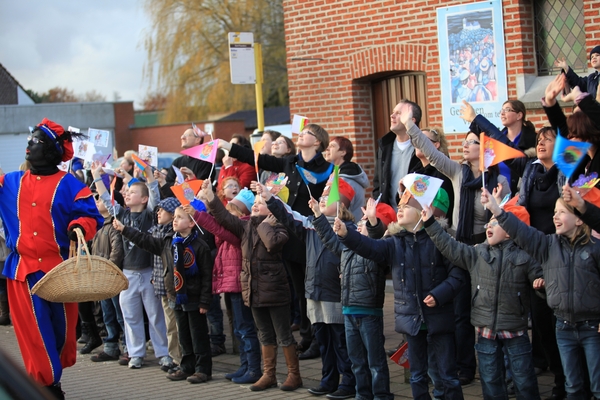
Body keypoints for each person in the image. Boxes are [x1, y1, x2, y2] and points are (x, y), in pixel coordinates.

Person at [403, 103, 510, 385]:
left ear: (485, 149)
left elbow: (505, 219)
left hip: (489, 252)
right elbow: (431, 152)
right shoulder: (457, 172)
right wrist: (410, 127)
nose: (465, 146)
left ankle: (501, 368)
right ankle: (465, 367)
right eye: (463, 142)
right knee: (461, 313)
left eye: (472, 142)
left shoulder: (498, 180)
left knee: (492, 311)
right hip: (461, 249)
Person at [0, 118, 103, 399]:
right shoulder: (10, 182)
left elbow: (92, 216)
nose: (28, 145)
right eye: (29, 140)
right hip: (23, 273)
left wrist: (80, 225)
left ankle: (50, 380)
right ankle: (47, 388)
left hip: (60, 273)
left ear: (50, 150)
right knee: (36, 334)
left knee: (62, 336)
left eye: (35, 141)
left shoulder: (69, 184)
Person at [336, 187, 464, 400]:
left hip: (438, 318)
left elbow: (457, 276)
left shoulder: (440, 240)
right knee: (417, 375)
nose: (400, 209)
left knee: (447, 375)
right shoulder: (395, 242)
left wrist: (440, 294)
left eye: (406, 206)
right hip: (411, 320)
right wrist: (346, 235)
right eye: (400, 206)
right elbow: (369, 247)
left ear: (423, 211)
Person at [218, 123, 333, 355]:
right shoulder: (289, 162)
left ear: (318, 142)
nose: (301, 135)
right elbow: (258, 158)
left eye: (307, 133)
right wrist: (228, 147)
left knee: (313, 289)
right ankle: (307, 336)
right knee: (298, 290)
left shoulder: (328, 168)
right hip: (289, 234)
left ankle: (321, 340)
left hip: (311, 233)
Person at [482, 185, 600, 400]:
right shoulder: (547, 245)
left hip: (592, 327)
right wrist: (497, 211)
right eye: (554, 212)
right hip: (563, 326)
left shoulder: (595, 248)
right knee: (572, 386)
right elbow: (522, 232)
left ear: (580, 219)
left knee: (598, 386)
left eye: (562, 212)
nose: (555, 216)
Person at [423, 197, 542, 400]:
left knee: (524, 380)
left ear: (512, 229)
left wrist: (541, 285)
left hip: (515, 330)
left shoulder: (525, 257)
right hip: (486, 330)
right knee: (491, 381)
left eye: (495, 222)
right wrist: (431, 224)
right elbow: (451, 247)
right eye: (489, 222)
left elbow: (542, 284)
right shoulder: (478, 253)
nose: (488, 226)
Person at [200, 180, 302, 392]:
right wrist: (210, 197)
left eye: (260, 202)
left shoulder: (280, 227)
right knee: (264, 334)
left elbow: (272, 244)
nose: (255, 205)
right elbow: (224, 218)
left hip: (274, 290)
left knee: (283, 334)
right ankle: (268, 374)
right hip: (254, 289)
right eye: (254, 202)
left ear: (273, 207)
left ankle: (294, 375)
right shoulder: (245, 226)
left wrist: (264, 224)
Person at [264, 179, 357, 399]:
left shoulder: (348, 229)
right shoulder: (310, 224)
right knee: (323, 342)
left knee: (341, 343)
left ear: (341, 204)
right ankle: (329, 379)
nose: (322, 200)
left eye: (328, 197)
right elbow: (288, 216)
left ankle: (348, 382)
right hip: (315, 292)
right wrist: (270, 198)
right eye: (322, 197)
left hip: (335, 294)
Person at [115, 206, 214, 384]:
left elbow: (207, 276)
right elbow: (145, 241)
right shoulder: (169, 241)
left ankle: (203, 369)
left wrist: (205, 301)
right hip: (176, 296)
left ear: (191, 223)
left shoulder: (200, 246)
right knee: (183, 335)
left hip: (194, 297)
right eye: (174, 217)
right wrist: (125, 230)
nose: (175, 220)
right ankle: (187, 366)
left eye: (180, 217)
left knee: (197, 334)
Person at [312, 197, 396, 400]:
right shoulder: (347, 248)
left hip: (369, 313)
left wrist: (373, 221)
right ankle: (362, 394)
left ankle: (382, 395)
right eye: (359, 224)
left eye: (363, 224)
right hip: (349, 311)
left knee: (375, 361)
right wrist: (318, 214)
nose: (359, 226)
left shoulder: (378, 247)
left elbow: (375, 236)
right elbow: (330, 239)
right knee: (356, 360)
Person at [92, 162, 170, 370]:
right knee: (130, 316)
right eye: (126, 191)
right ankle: (135, 353)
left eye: (132, 191)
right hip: (128, 273)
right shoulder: (122, 214)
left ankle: (163, 352)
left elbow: (154, 194)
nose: (126, 194)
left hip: (148, 273)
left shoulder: (149, 213)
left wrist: (149, 177)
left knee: (155, 316)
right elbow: (108, 201)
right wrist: (96, 177)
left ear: (143, 199)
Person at [185, 188, 262, 384]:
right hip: (229, 285)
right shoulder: (229, 233)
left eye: (231, 213)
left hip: (238, 285)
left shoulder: (243, 228)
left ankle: (254, 369)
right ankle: (244, 366)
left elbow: (218, 228)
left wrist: (200, 215)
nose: (226, 217)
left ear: (242, 214)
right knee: (237, 328)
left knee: (246, 328)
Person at [466, 99, 537, 195]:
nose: (502, 113)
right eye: (501, 110)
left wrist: (476, 118)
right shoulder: (495, 139)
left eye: (507, 110)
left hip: (518, 196)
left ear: (519, 115)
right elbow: (486, 134)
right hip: (495, 194)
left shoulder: (533, 140)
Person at [89, 191, 126, 362]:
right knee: (108, 315)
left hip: (112, 277)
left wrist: (109, 269)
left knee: (120, 315)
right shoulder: (102, 226)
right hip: (103, 278)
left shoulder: (114, 226)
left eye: (101, 200)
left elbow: (117, 251)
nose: (97, 202)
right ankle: (111, 347)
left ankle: (127, 346)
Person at [372, 99, 422, 210]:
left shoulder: (423, 148)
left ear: (412, 121)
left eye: (399, 113)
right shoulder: (384, 147)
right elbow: (378, 184)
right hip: (389, 217)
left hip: (414, 216)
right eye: (393, 112)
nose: (392, 116)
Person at [160, 127, 214, 198]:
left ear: (198, 139)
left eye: (187, 135)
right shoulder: (177, 162)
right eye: (182, 135)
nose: (182, 137)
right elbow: (167, 191)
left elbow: (202, 190)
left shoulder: (206, 162)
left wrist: (189, 178)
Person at [324, 137, 369, 222]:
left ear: (343, 152)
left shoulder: (346, 180)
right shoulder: (337, 174)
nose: (327, 149)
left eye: (332, 146)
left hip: (345, 231)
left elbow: (337, 213)